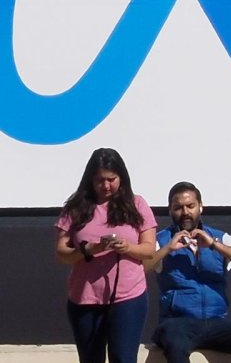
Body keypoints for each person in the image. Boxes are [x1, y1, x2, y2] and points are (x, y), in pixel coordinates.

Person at [146, 181, 231, 363]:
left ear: (201, 207)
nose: (185, 212)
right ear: (170, 210)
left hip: (216, 321)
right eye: (178, 208)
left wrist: (214, 245)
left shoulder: (218, 236)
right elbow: (139, 270)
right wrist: (168, 249)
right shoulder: (162, 240)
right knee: (176, 345)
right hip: (177, 322)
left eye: (191, 206)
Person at [55, 147, 158, 363]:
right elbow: (62, 253)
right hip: (84, 298)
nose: (106, 186)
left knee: (123, 357)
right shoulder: (75, 207)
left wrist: (126, 247)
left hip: (127, 297)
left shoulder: (137, 204)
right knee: (91, 358)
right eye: (99, 180)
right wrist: (87, 250)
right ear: (90, 180)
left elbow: (148, 249)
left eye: (111, 179)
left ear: (122, 177)